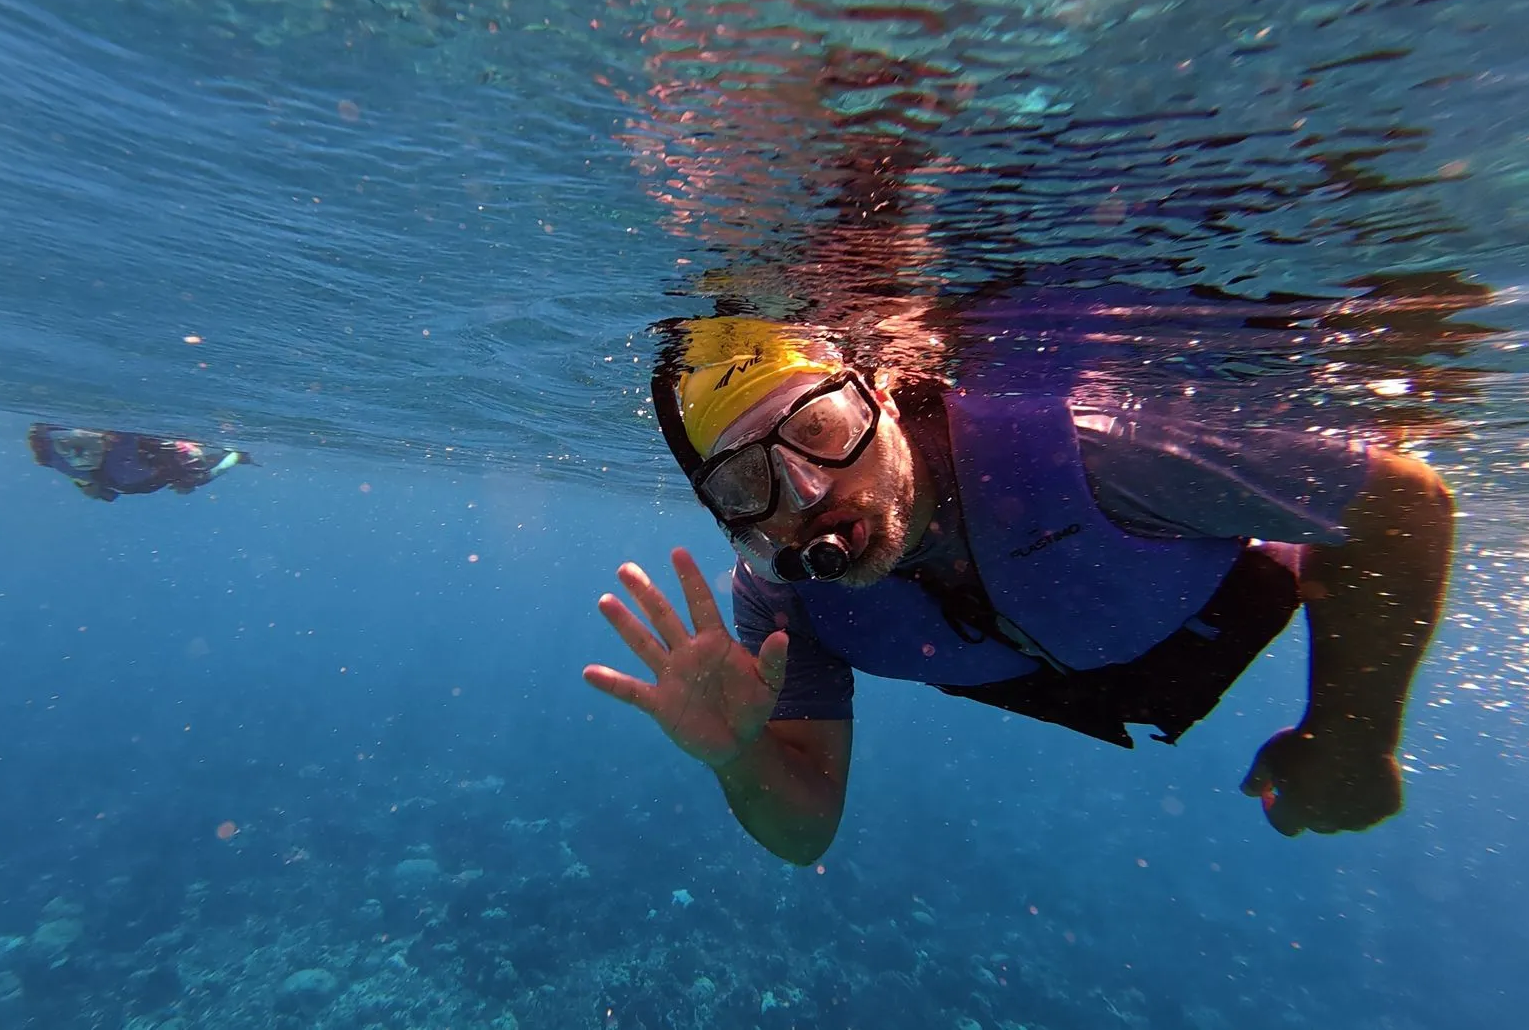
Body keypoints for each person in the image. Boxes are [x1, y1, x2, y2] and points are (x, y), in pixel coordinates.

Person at [583, 317, 1455, 864]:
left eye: (822, 430)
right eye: (748, 486)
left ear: (882, 396)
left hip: (1216, 593)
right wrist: (741, 755)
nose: (808, 496)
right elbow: (805, 832)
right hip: (1054, 660)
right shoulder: (782, 604)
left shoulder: (1095, 452)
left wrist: (1350, 734)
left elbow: (1406, 504)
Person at [26, 422, 255, 502]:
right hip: (118, 474)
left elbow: (123, 438)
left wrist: (237, 456)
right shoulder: (123, 474)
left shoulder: (169, 468)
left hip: (126, 473)